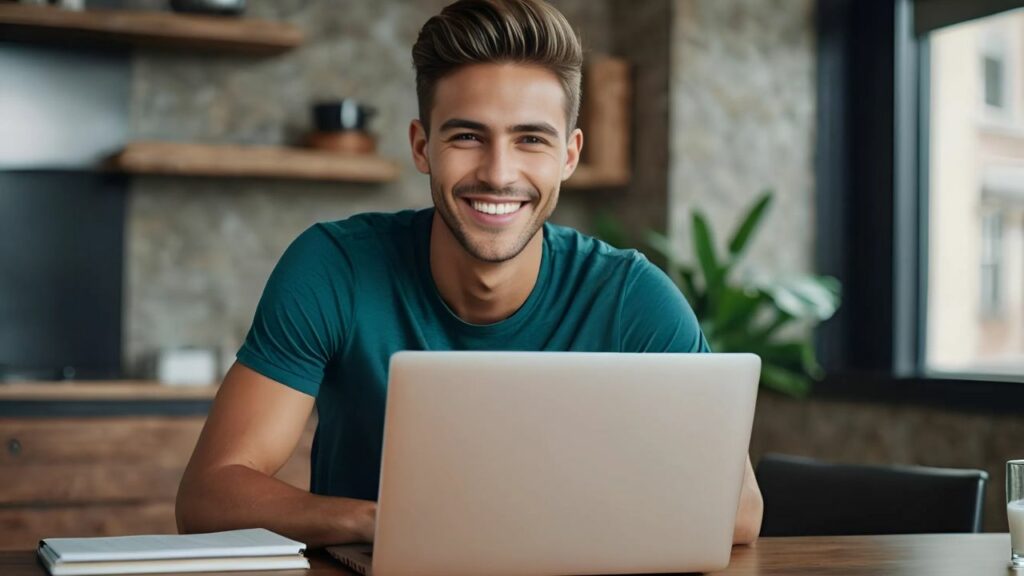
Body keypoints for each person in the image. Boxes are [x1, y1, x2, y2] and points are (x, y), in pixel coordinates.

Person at [175, 0, 763, 548]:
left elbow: (738, 511)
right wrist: (380, 521)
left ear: (570, 155)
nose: (498, 173)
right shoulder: (336, 267)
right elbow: (209, 494)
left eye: (531, 138)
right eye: (467, 136)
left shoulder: (631, 297)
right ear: (422, 145)